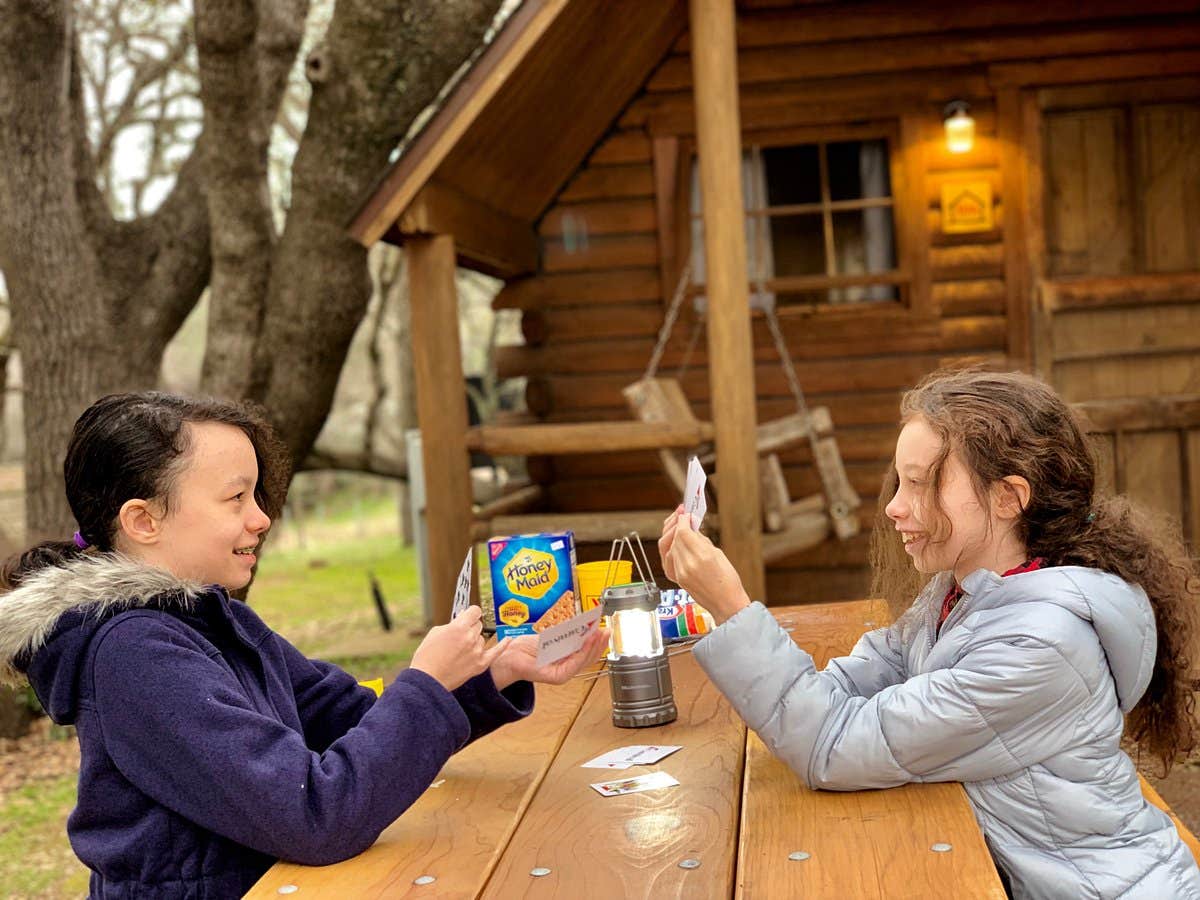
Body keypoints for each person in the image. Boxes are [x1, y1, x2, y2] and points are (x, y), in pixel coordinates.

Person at [0, 392, 605, 899]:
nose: (262, 518)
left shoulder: (209, 618)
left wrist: (484, 676)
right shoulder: (134, 656)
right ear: (143, 521)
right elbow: (316, 814)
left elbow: (350, 723)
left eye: (258, 497)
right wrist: (424, 683)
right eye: (236, 499)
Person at [659, 368, 1200, 899]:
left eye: (919, 483)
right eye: (900, 481)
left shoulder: (1039, 647)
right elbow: (850, 689)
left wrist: (730, 607)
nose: (895, 507)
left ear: (1009, 498)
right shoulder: (961, 590)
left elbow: (830, 745)